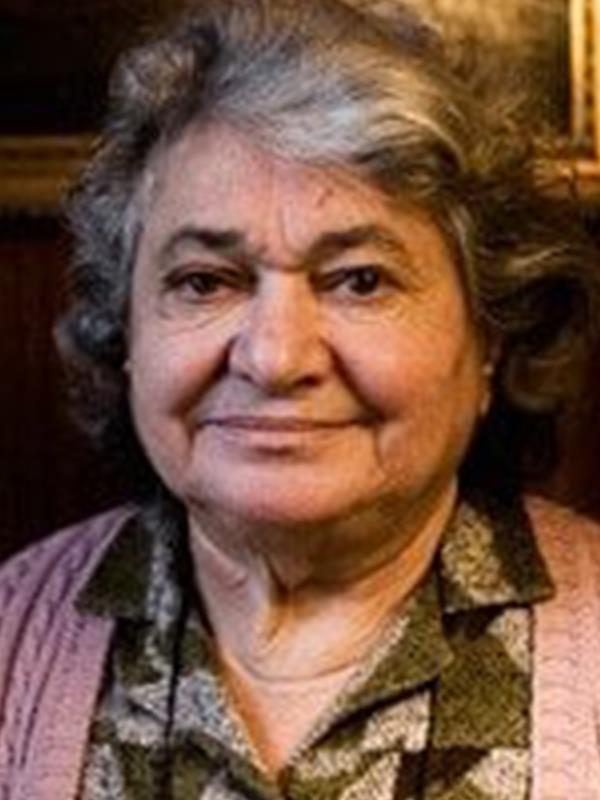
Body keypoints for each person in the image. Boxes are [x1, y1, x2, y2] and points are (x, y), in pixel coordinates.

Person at [1, 1, 600, 798]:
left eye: (360, 280)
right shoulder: (12, 641)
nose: (276, 358)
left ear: (490, 333)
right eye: (205, 282)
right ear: (128, 332)